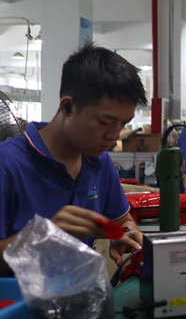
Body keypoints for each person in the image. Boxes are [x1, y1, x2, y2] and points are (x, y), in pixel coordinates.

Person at [0, 43, 147, 274]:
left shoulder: (100, 162)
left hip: (80, 291)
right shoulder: (7, 165)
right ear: (67, 107)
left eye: (124, 124)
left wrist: (125, 234)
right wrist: (44, 238)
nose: (115, 135)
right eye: (105, 122)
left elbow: (122, 221)